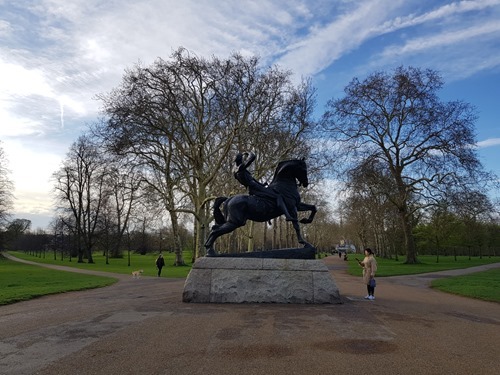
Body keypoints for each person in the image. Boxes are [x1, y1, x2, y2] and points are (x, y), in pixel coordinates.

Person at [233, 152, 295, 222]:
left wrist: (262, 184)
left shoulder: (234, 171)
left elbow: (251, 179)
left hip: (252, 188)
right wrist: (247, 153)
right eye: (242, 158)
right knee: (278, 196)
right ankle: (287, 216)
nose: (243, 159)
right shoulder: (241, 167)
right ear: (240, 159)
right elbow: (252, 157)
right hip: (256, 188)